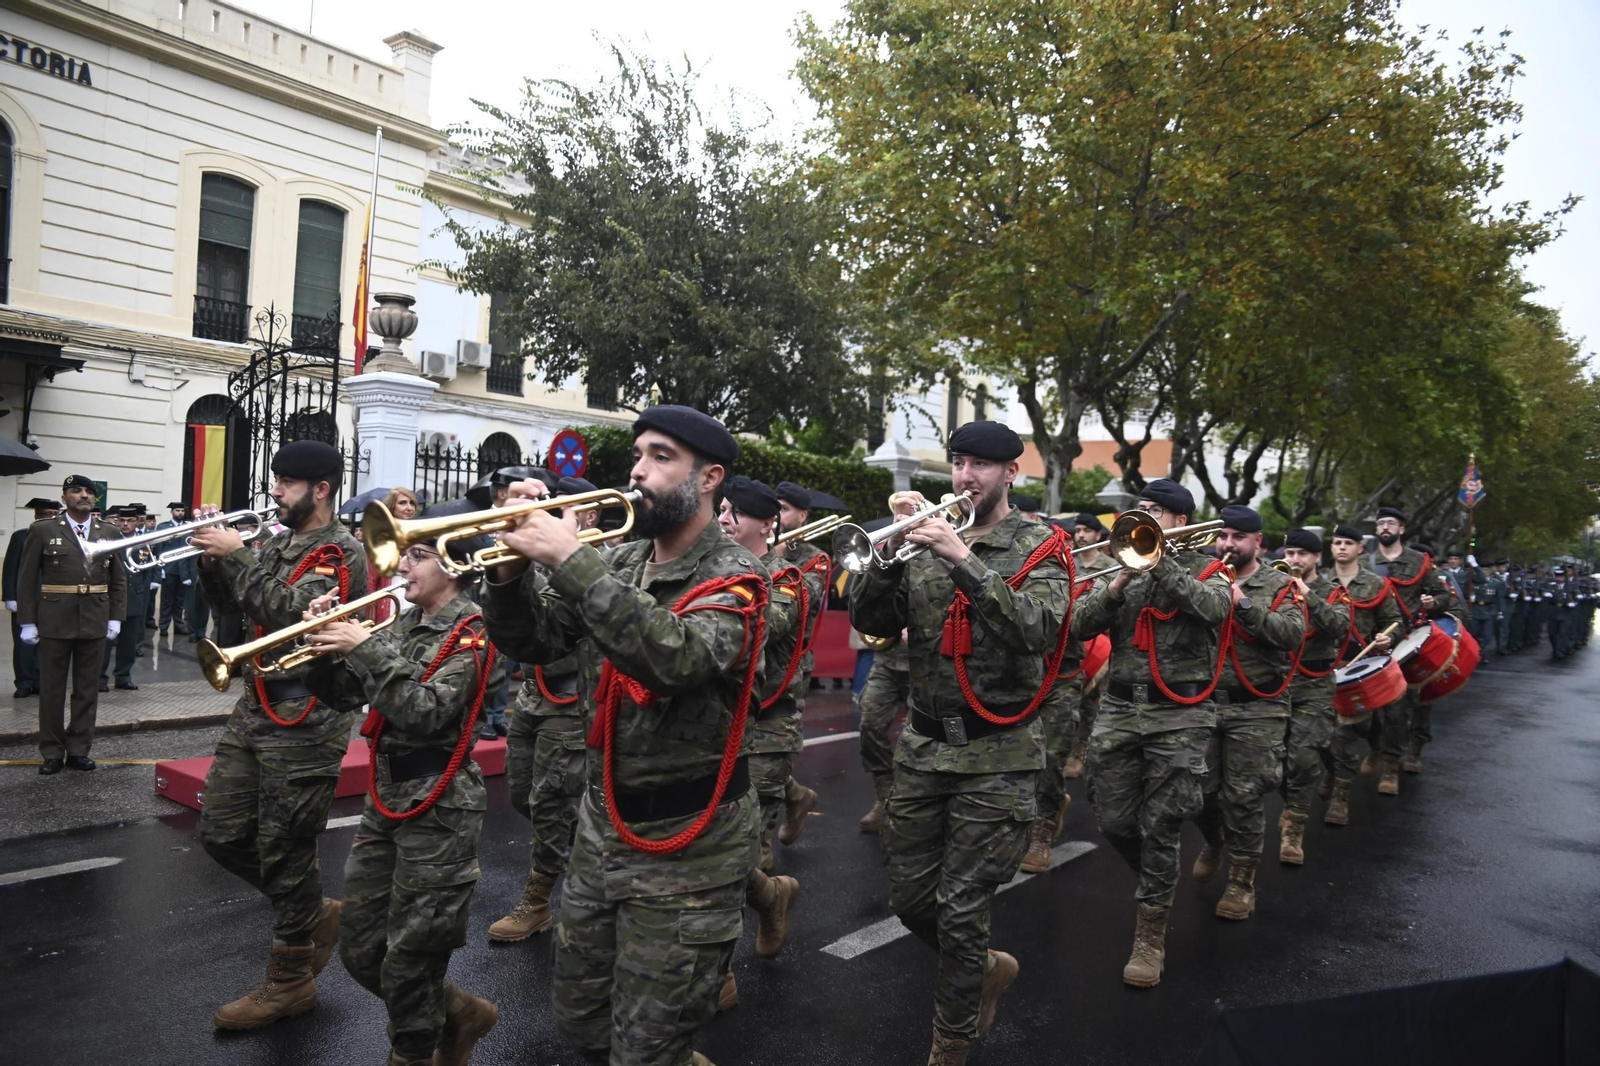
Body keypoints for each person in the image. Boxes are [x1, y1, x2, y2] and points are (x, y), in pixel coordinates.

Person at [483, 405, 765, 1066]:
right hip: (602, 827)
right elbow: (535, 641)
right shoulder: (623, 558)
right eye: (638, 454)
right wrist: (509, 572)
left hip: (689, 844)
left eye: (661, 456)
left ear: (709, 477)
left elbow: (677, 661)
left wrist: (573, 561)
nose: (638, 470)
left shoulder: (740, 577)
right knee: (580, 1021)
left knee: (646, 1045)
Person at [849, 420, 1072, 1065]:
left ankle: (951, 1038)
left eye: (980, 466)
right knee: (910, 898)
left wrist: (961, 557)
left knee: (961, 905)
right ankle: (983, 969)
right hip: (923, 747)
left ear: (1011, 474)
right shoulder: (919, 540)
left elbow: (1036, 630)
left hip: (997, 754)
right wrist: (887, 563)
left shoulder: (1042, 545)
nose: (965, 478)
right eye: (959, 464)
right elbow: (870, 623)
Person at [298, 526, 503, 1066]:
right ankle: (460, 1013)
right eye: (405, 555)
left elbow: (426, 711)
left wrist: (364, 649)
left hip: (440, 805)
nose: (402, 568)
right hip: (387, 795)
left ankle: (412, 1053)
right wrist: (317, 643)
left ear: (454, 567)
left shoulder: (473, 632)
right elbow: (345, 693)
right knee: (364, 952)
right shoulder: (400, 622)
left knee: (413, 957)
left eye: (418, 556)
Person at [190, 440, 369, 1031]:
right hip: (255, 707)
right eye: (275, 481)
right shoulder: (276, 543)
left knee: (286, 847)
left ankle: (290, 980)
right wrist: (214, 565)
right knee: (219, 830)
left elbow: (301, 618)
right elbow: (238, 612)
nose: (274, 491)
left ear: (321, 490)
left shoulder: (344, 554)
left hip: (308, 719)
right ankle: (313, 911)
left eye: (287, 483)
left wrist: (239, 556)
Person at [1068, 478, 1232, 988]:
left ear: (1180, 521)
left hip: (1179, 714)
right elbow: (1078, 624)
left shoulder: (1211, 569)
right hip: (1119, 709)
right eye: (1139, 509)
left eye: (1155, 511)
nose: (1143, 517)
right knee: (1114, 819)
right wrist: (1117, 584)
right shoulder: (1120, 568)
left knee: (1161, 824)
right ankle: (1160, 882)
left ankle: (1150, 936)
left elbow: (1214, 609)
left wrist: (1158, 563)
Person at [715, 476, 821, 1007]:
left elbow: (767, 624)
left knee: (737, 845)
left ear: (767, 524)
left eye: (736, 512)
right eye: (723, 508)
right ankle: (771, 896)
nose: (724, 519)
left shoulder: (788, 578)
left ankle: (716, 973)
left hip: (770, 721)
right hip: (719, 723)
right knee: (718, 847)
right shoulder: (710, 566)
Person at [485, 473, 591, 945]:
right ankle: (593, 855)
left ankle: (537, 900)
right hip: (534, 694)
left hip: (573, 700)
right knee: (523, 795)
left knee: (549, 803)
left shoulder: (599, 562)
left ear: (587, 513)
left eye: (562, 507)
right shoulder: (542, 556)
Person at [1190, 506, 1305, 919]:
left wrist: (1243, 604)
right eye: (1223, 536)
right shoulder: (1203, 575)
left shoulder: (1279, 583)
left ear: (1258, 542)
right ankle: (1215, 838)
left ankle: (1242, 881)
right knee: (1196, 793)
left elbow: (1292, 634)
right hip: (1200, 702)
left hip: (1257, 707)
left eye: (1238, 537)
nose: (1227, 545)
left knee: (1244, 797)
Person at [16, 475, 127, 774]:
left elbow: (118, 579)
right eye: (76, 491)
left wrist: (116, 616)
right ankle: (52, 751)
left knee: (87, 689)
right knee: (51, 689)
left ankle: (78, 749)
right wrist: (27, 621)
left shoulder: (110, 531)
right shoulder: (43, 530)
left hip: (95, 618)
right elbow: (26, 580)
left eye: (89, 492)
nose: (83, 496)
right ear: (64, 497)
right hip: (54, 619)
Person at [1367, 506, 1458, 787]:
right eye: (1381, 523)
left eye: (1390, 523)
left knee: (1401, 707)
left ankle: (1392, 764)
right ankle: (1376, 749)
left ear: (1401, 529)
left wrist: (1434, 602)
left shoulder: (1420, 561)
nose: (1384, 527)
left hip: (1408, 643)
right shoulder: (1367, 562)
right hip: (1372, 643)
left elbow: (1444, 595)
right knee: (1371, 706)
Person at [1275, 528, 1349, 865]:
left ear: (1317, 557)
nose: (1294, 560)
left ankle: (1294, 825)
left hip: (1314, 683)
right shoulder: (1273, 584)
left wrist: (1305, 591)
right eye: (1290, 553)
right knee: (1274, 762)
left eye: (1302, 554)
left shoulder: (1335, 592)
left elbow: (1338, 626)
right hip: (1274, 682)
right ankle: (1291, 802)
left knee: (1303, 758)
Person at [1321, 525, 1403, 825]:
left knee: (1370, 726)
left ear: (1360, 549)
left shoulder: (1376, 584)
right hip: (1324, 669)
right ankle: (1333, 778)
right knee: (1327, 734)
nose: (1341, 547)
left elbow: (1395, 622)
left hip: (1363, 668)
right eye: (1337, 542)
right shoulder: (1319, 583)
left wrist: (1387, 638)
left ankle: (1344, 792)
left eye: (1348, 543)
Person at [770, 480, 828, 847]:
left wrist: (772, 556)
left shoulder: (814, 558)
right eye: (773, 509)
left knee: (771, 749)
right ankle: (795, 796)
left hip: (788, 668)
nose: (777, 518)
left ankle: (758, 859)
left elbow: (797, 609)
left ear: (802, 516)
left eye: (786, 511)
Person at [1064, 512, 1115, 778]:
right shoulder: (1067, 563)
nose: (1080, 535)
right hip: (1067, 641)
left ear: (1098, 535)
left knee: (1090, 704)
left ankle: (1080, 751)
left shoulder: (1111, 564)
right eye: (1078, 530)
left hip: (1098, 645)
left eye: (1087, 530)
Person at [4, 496, 61, 697]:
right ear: (37, 516)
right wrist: (9, 596)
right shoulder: (21, 536)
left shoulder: (60, 538)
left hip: (51, 600)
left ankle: (39, 680)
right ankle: (24, 681)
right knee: (23, 644)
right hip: (25, 600)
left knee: (46, 644)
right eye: (46, 514)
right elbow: (10, 567)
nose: (50, 518)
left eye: (54, 515)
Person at [109, 505, 157, 690]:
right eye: (122, 520)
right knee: (106, 642)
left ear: (137, 523)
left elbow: (147, 569)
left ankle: (123, 677)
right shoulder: (111, 541)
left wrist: (145, 591)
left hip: (135, 597)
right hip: (113, 598)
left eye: (129, 521)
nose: (125, 524)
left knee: (129, 642)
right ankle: (101, 679)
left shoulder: (143, 543)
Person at [153, 501, 192, 636]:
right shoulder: (164, 527)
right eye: (177, 511)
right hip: (168, 569)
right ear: (172, 512)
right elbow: (159, 549)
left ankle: (179, 625)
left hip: (183, 571)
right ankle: (163, 626)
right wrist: (160, 568)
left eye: (182, 511)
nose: (180, 513)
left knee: (180, 600)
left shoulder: (189, 528)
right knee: (166, 600)